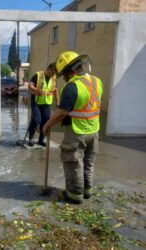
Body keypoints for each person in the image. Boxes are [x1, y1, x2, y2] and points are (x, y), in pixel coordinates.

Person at [43, 51, 103, 204]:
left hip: (77, 131)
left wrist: (47, 125)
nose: (63, 78)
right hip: (94, 130)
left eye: (64, 74)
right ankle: (87, 190)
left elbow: (61, 112)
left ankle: (75, 194)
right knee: (89, 162)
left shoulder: (72, 87)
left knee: (73, 162)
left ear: (71, 71)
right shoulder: (97, 81)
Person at [28, 63, 59, 147]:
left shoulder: (54, 78)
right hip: (36, 102)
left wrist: (57, 102)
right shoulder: (38, 75)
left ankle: (41, 140)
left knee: (45, 122)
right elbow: (30, 85)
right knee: (36, 120)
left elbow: (55, 90)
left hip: (47, 103)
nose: (54, 74)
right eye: (53, 72)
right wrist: (35, 90)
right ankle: (30, 137)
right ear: (49, 69)